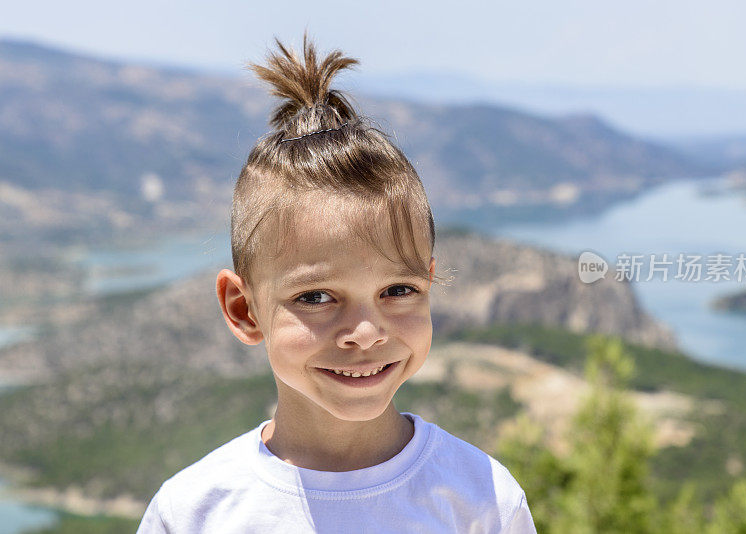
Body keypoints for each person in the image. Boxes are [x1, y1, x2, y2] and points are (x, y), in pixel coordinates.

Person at [136, 32, 537, 533]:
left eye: (398, 290)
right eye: (317, 297)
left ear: (430, 284)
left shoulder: (481, 498)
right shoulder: (194, 512)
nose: (366, 332)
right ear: (243, 309)